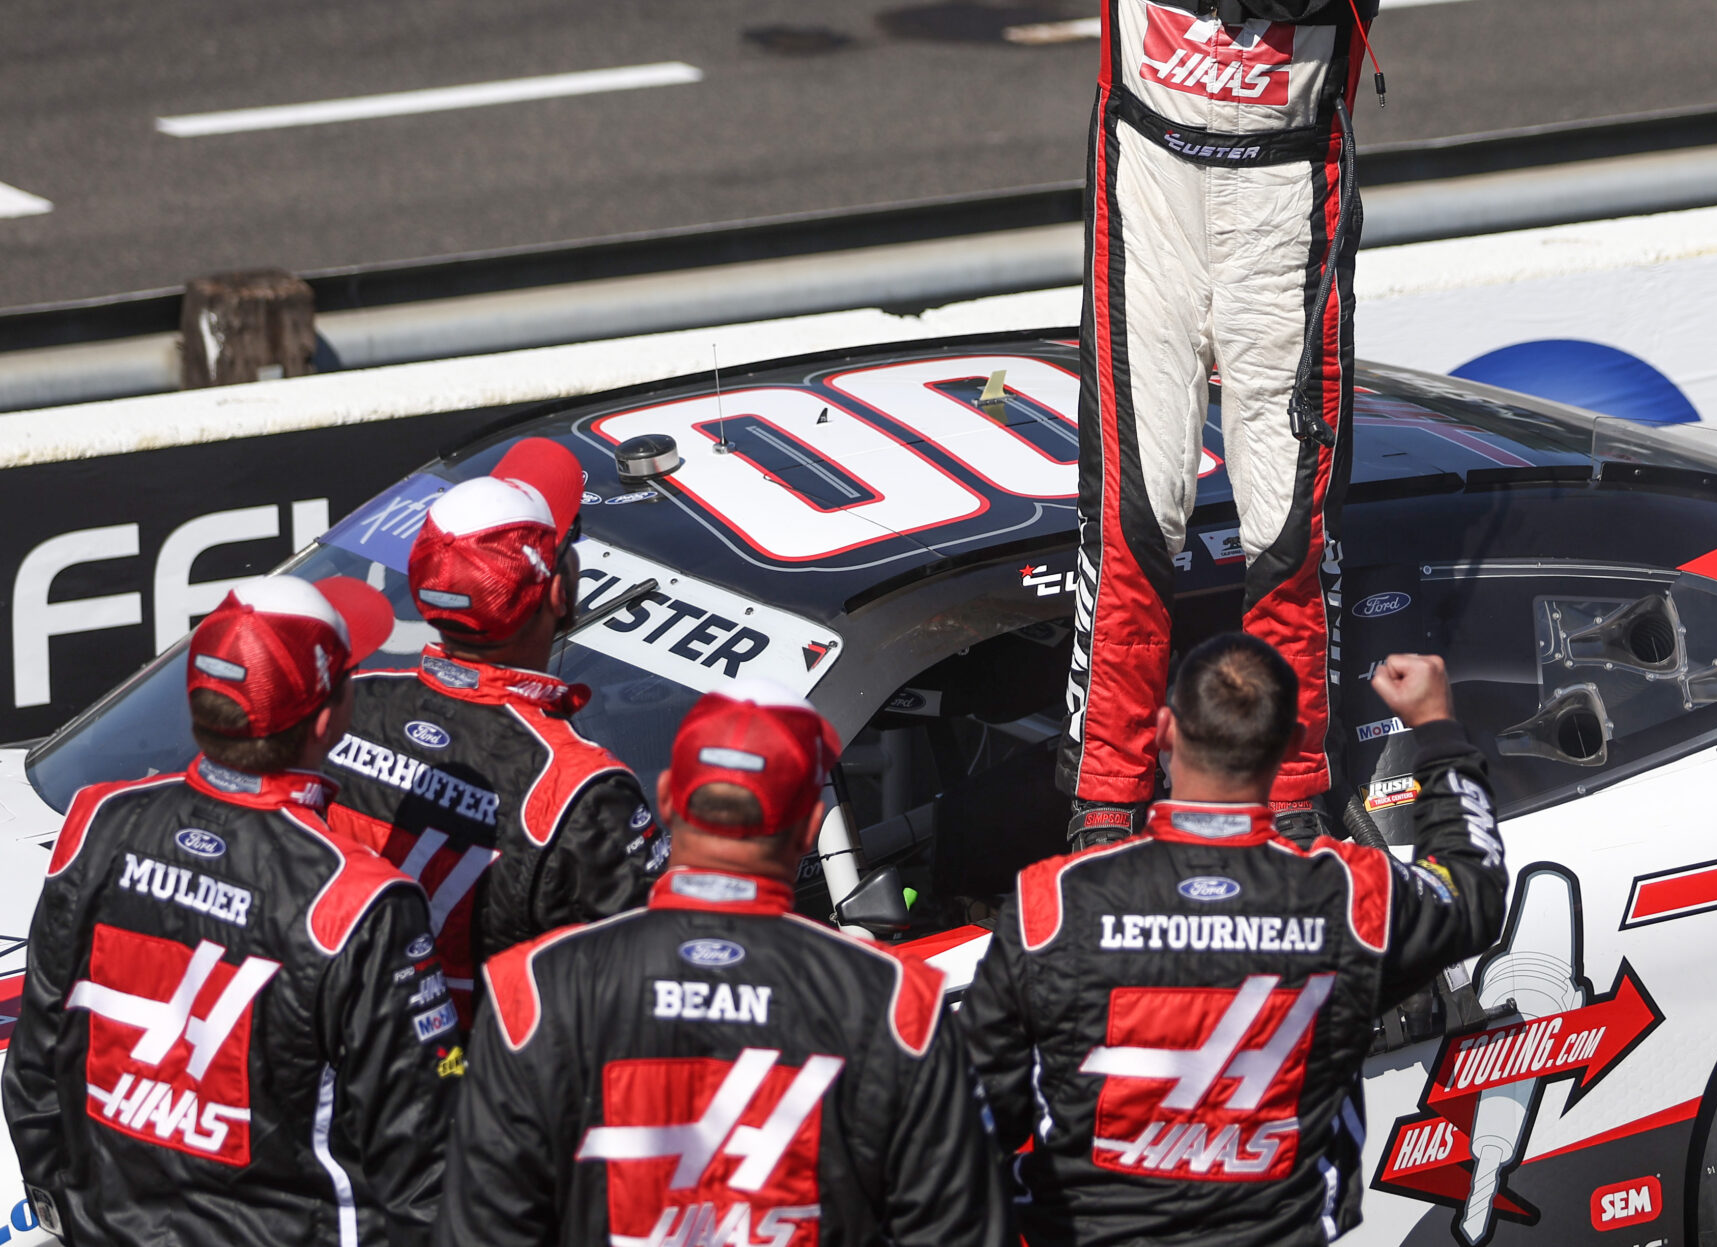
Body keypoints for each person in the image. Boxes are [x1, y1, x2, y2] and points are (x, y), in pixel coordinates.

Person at [870, 0, 1558, 848]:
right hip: (1147, 205)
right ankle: (1104, 819)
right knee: (1134, 528)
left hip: (1282, 228)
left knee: (1290, 538)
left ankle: (1289, 818)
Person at [960, 638, 1507, 1247]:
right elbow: (1473, 892)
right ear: (1291, 741)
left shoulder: (1051, 906)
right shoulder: (1347, 894)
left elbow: (972, 1117)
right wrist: (1435, 729)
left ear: (1164, 732)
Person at [433, 680, 1003, 1247]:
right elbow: (962, 1230)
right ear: (809, 829)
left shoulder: (531, 990)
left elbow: (481, 1227)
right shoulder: (901, 1005)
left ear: (665, 800)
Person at [4, 576, 459, 1246]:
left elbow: (35, 1071)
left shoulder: (98, 822)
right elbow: (422, 1168)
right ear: (329, 718)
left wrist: (71, 1218)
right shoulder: (361, 901)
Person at [321, 437, 664, 1031]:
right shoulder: (580, 787)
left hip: (350, 1064)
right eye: (566, 548)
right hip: (486, 1095)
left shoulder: (341, 709)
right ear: (560, 592)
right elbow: (648, 996)